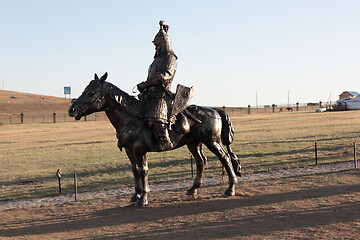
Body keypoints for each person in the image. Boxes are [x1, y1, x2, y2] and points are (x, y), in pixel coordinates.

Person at [137, 20, 177, 151]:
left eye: (158, 45)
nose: (156, 48)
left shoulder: (170, 58)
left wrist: (146, 84)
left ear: (165, 45)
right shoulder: (156, 60)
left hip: (162, 95)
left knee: (156, 117)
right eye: (155, 46)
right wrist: (144, 89)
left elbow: (164, 76)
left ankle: (165, 141)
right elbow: (150, 77)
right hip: (150, 94)